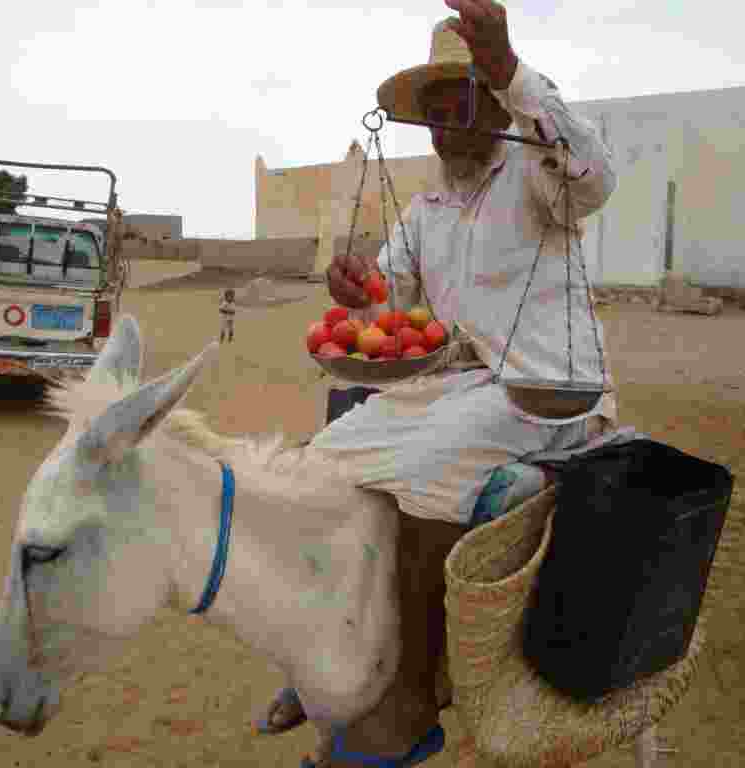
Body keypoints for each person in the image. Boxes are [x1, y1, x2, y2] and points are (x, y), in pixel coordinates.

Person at [255, 0, 619, 759]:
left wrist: (514, 70)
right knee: (320, 460)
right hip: (462, 388)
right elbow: (393, 302)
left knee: (418, 476)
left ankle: (414, 694)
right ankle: (342, 654)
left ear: (491, 104)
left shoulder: (540, 178)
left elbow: (598, 173)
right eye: (435, 115)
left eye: (460, 107)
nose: (447, 127)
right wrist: (359, 291)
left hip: (543, 388)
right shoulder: (427, 207)